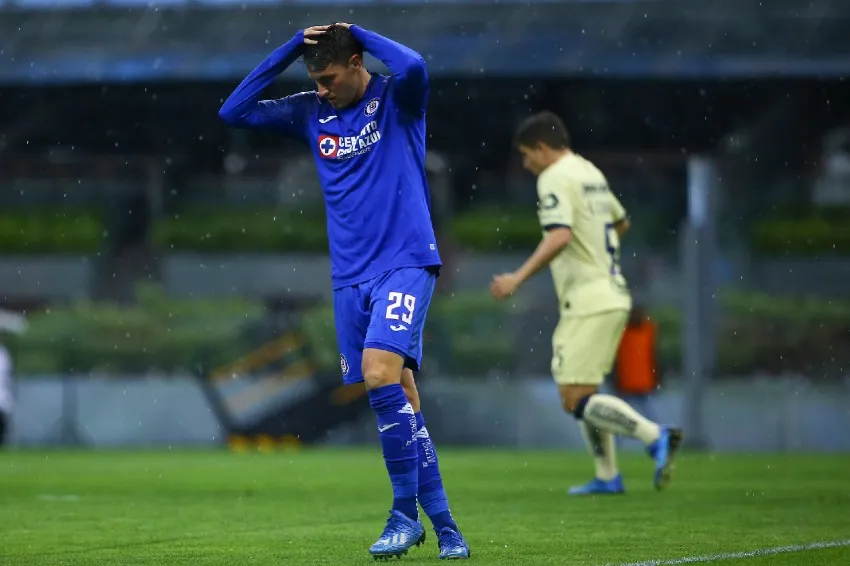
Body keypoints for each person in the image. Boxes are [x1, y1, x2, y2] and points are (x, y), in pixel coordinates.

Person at [219, 24, 469, 560]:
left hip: (404, 260)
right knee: (400, 396)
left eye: (330, 77)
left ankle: (402, 516)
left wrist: (356, 31)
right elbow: (233, 111)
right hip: (349, 278)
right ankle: (447, 527)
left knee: (380, 375)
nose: (322, 89)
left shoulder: (397, 98)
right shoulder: (312, 110)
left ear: (358, 63)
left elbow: (415, 65)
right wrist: (292, 46)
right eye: (314, 80)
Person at [490, 111, 682, 495]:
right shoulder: (589, 172)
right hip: (611, 292)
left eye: (528, 155)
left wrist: (517, 277)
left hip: (588, 299)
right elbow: (621, 222)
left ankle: (654, 435)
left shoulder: (555, 177)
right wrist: (594, 244)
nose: (527, 165)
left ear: (543, 148)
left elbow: (559, 235)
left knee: (573, 397)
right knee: (585, 390)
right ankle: (608, 476)